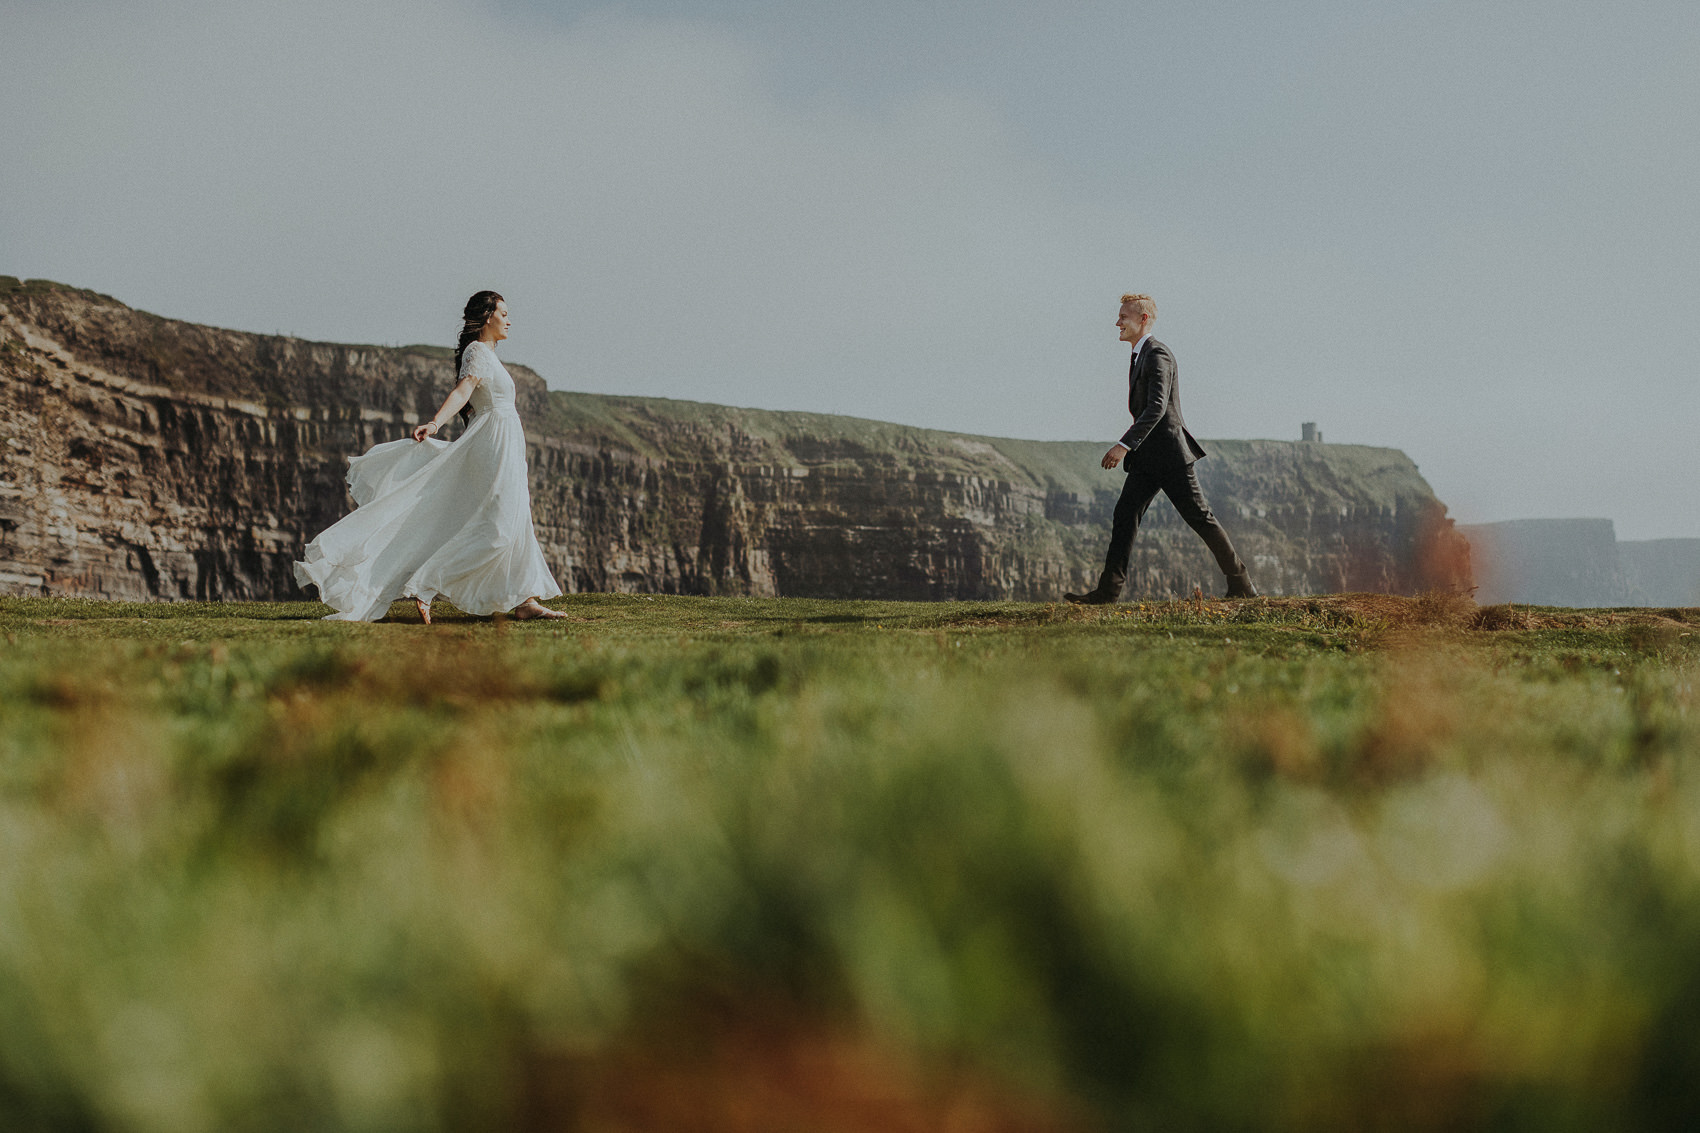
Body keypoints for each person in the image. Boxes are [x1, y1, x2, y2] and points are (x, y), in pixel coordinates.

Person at [293, 291, 567, 623]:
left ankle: (525, 600)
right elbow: (464, 390)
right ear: (486, 317)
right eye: (504, 313)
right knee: (500, 527)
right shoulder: (477, 352)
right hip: (493, 443)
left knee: (517, 517)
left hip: (507, 444)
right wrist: (436, 422)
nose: (509, 320)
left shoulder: (489, 355)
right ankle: (425, 583)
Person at [1064, 293, 1257, 605]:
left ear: (1142, 320)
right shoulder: (1140, 355)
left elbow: (1156, 408)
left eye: (1123, 317)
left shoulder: (1158, 355)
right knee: (1125, 514)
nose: (1117, 322)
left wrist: (1123, 446)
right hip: (1147, 459)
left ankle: (1242, 584)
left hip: (1169, 457)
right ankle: (1107, 593)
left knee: (1200, 518)